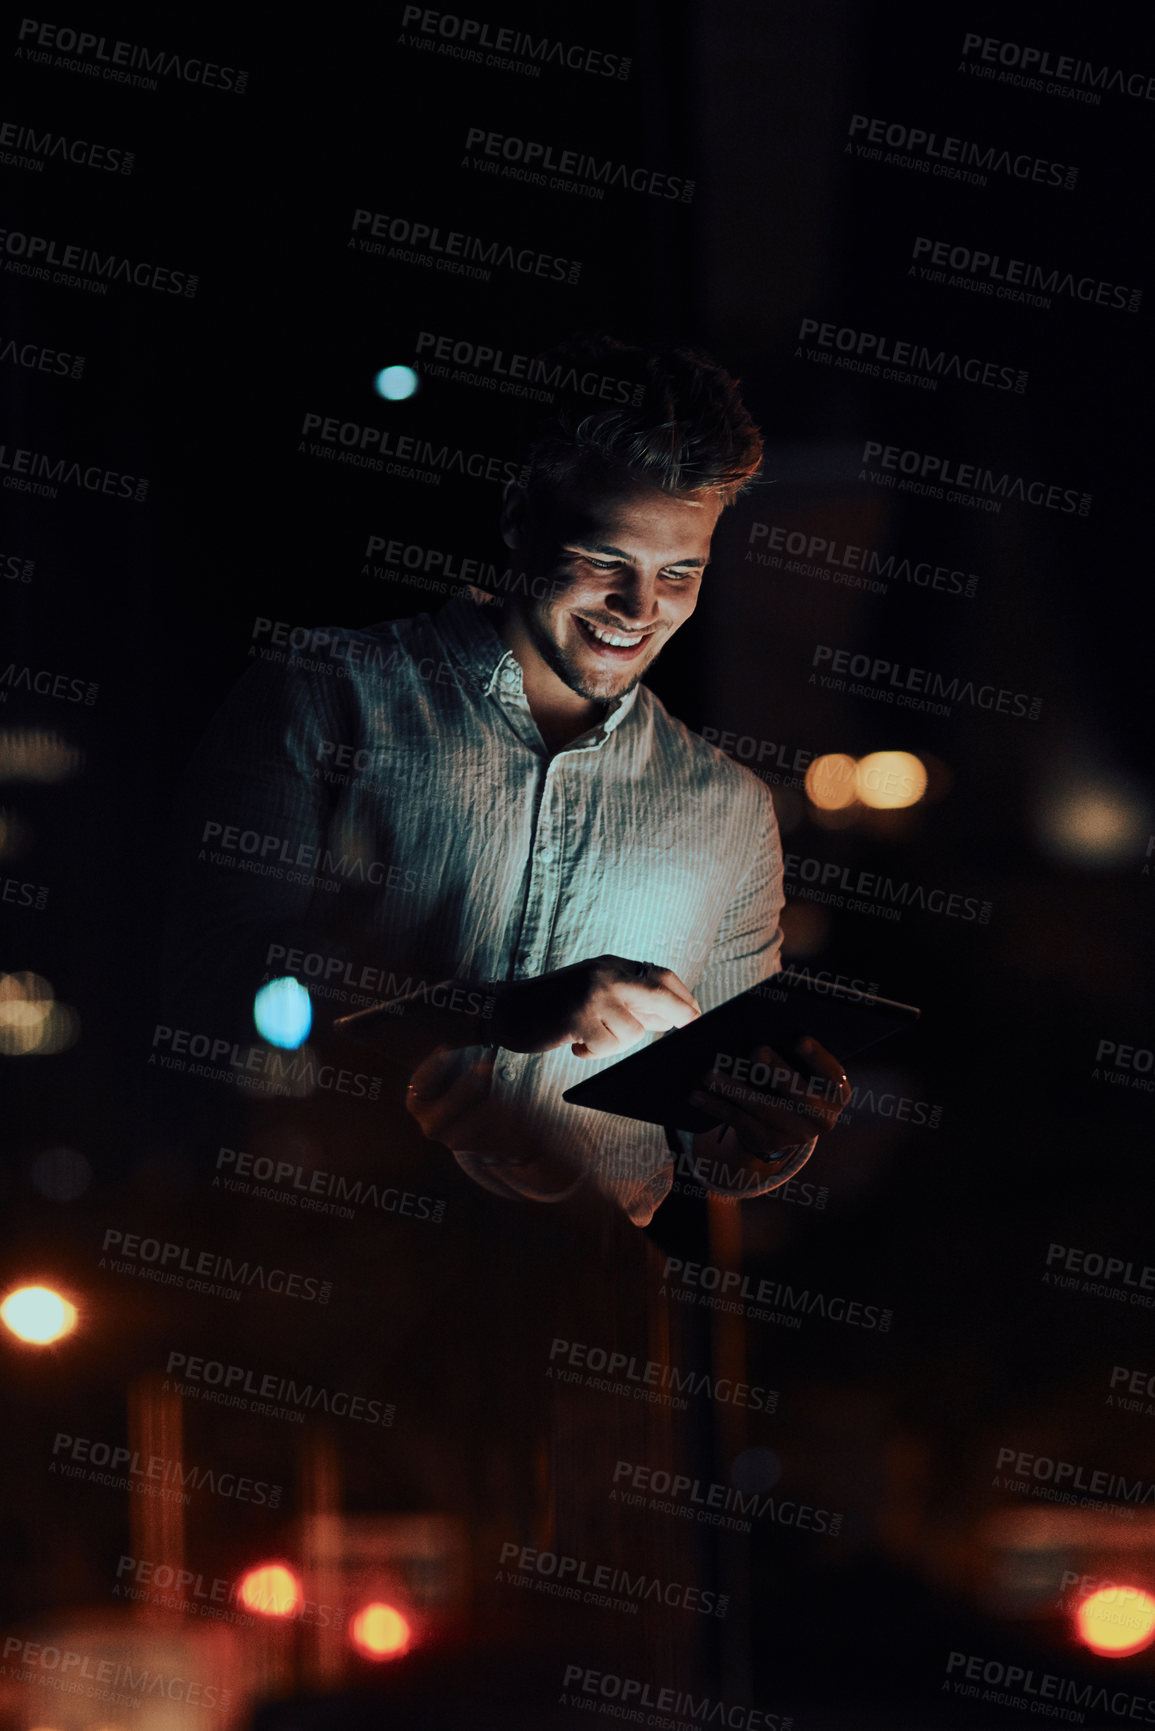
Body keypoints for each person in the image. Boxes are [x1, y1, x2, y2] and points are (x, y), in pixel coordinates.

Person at [164, 336, 850, 1226]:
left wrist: (768, 1130)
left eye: (678, 575)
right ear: (520, 517)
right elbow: (213, 992)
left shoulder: (729, 810)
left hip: (585, 1313)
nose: (640, 610)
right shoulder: (324, 696)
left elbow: (703, 1149)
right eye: (607, 560)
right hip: (319, 1275)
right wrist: (485, 1012)